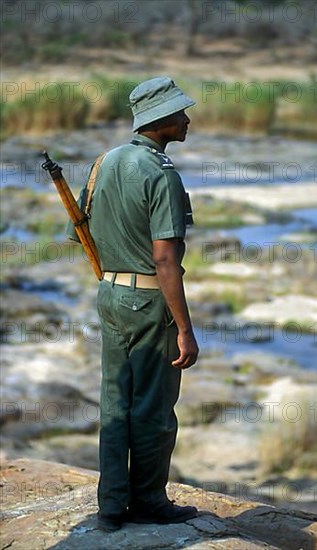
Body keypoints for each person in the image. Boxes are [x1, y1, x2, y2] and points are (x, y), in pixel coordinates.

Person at [86, 77, 199, 531]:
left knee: (115, 402)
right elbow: (165, 257)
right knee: (152, 407)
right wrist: (185, 328)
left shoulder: (103, 163)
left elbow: (83, 230)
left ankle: (112, 506)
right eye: (181, 112)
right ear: (162, 120)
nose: (188, 119)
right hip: (151, 301)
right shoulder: (160, 173)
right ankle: (149, 501)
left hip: (110, 294)